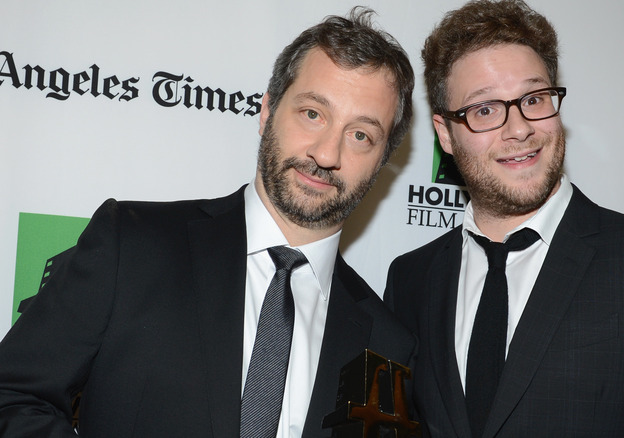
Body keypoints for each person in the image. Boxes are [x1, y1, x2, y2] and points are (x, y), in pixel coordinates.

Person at [0, 8, 415, 438]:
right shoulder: (132, 245)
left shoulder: (387, 344)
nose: (327, 153)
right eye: (312, 113)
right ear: (267, 111)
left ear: (382, 163)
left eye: (360, 135)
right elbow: (12, 396)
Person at [384, 1, 624, 437]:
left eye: (534, 99)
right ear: (445, 134)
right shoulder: (411, 279)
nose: (519, 129)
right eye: (485, 110)